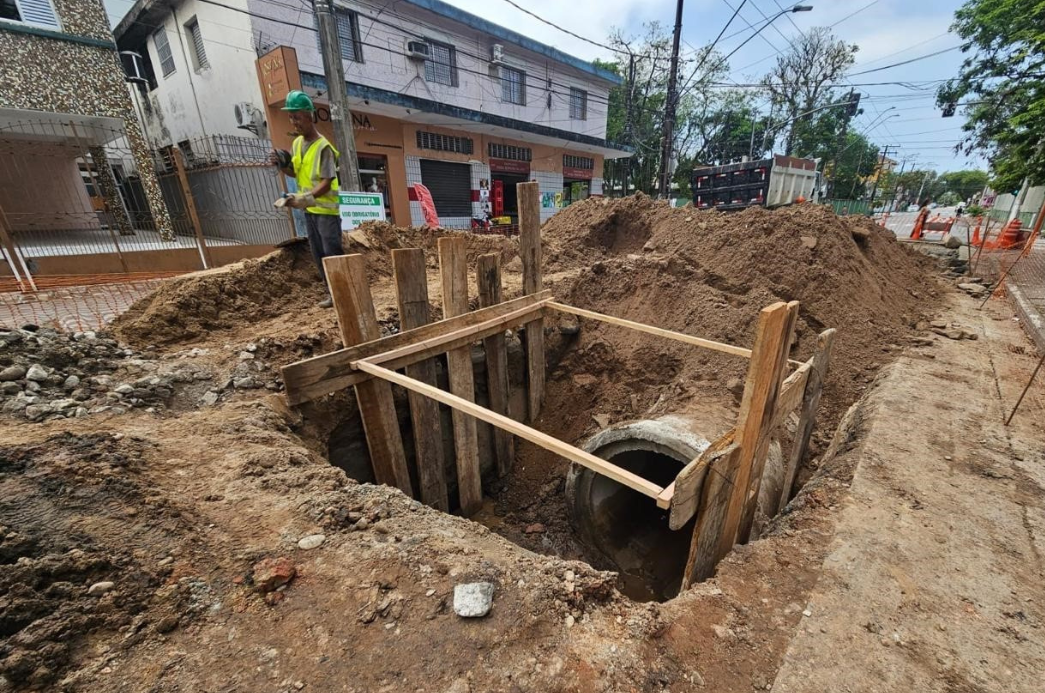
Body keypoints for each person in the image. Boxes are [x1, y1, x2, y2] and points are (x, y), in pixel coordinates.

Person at [269, 90, 342, 308]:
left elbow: (327, 181)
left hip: (326, 212)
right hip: (310, 211)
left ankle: (343, 292)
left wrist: (304, 198)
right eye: (291, 117)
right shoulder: (298, 145)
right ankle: (332, 294)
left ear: (310, 116)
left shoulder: (324, 148)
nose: (294, 122)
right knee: (318, 254)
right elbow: (296, 172)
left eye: (297, 117)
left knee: (332, 254)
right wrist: (283, 165)